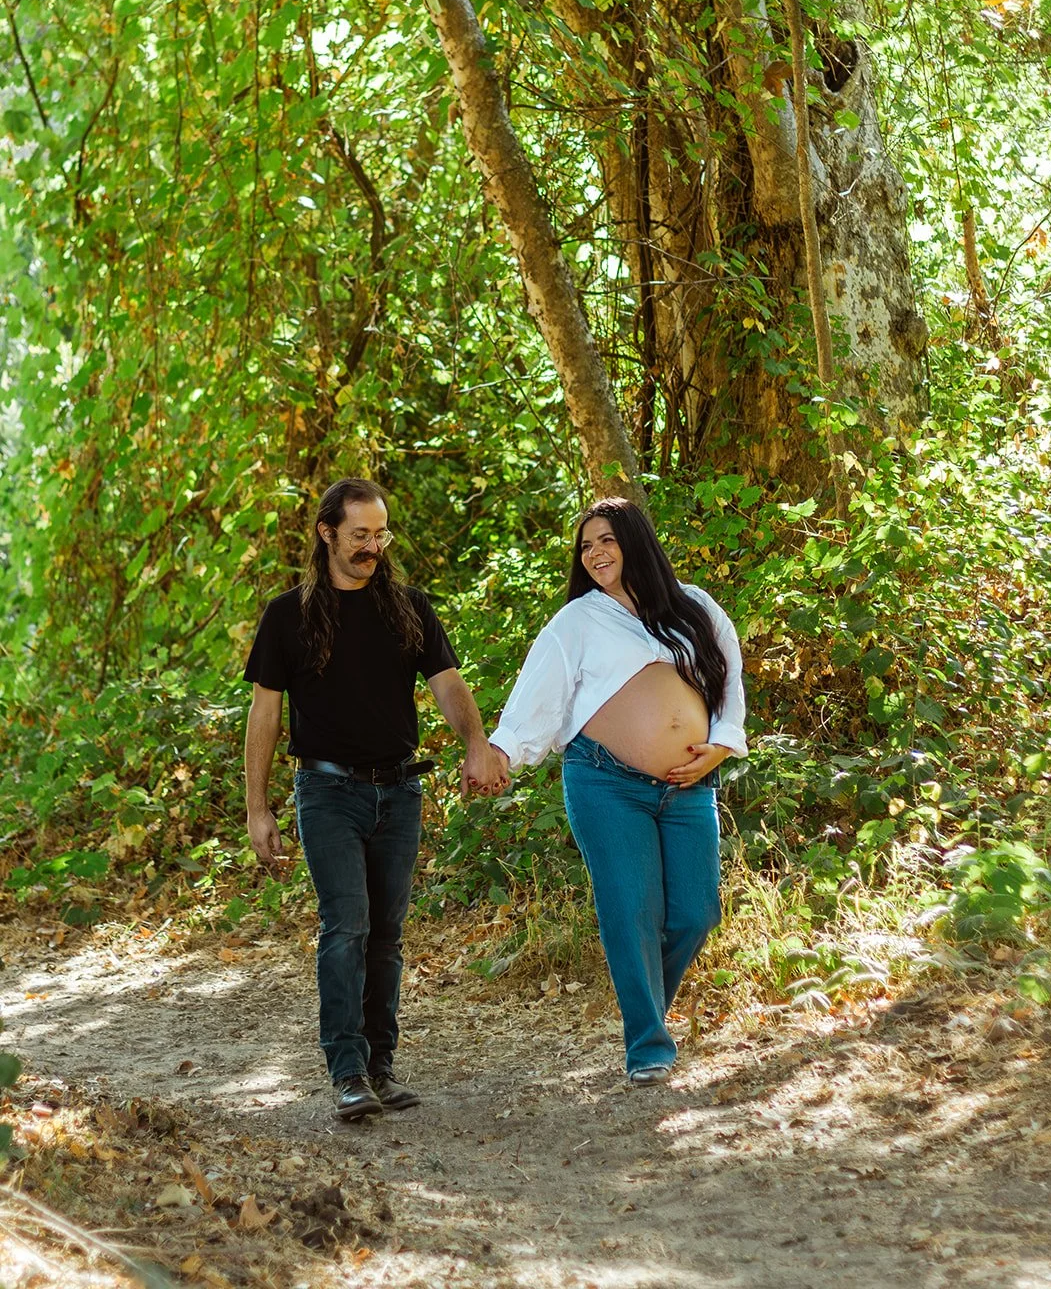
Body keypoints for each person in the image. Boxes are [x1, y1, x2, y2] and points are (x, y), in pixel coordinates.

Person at [243, 477, 505, 1121]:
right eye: (359, 535)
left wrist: (476, 742)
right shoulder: (288, 616)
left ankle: (381, 1067)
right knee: (347, 926)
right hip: (327, 791)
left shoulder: (408, 607)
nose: (372, 547)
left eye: (380, 534)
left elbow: (447, 684)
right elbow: (265, 716)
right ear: (327, 534)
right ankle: (347, 1070)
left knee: (386, 935)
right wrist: (258, 806)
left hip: (400, 791)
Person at [486, 497, 746, 1085]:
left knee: (696, 912)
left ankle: (645, 999)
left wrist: (723, 744)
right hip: (605, 782)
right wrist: (503, 752)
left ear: (636, 541)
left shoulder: (695, 606)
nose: (595, 553)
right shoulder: (579, 619)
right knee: (631, 911)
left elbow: (729, 679)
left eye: (606, 539)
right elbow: (538, 696)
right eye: (586, 546)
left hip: (688, 786)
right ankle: (648, 1042)